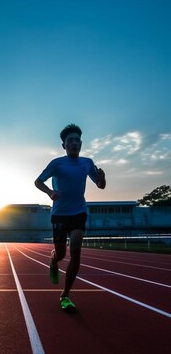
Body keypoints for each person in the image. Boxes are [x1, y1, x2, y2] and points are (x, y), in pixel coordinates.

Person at [34, 123, 106, 311]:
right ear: (64, 145)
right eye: (70, 141)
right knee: (61, 254)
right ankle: (53, 260)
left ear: (81, 143)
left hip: (79, 212)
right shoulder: (57, 163)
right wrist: (50, 192)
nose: (74, 143)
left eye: (77, 140)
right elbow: (38, 181)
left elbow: (100, 185)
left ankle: (65, 295)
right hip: (59, 214)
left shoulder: (87, 163)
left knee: (75, 249)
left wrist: (102, 177)